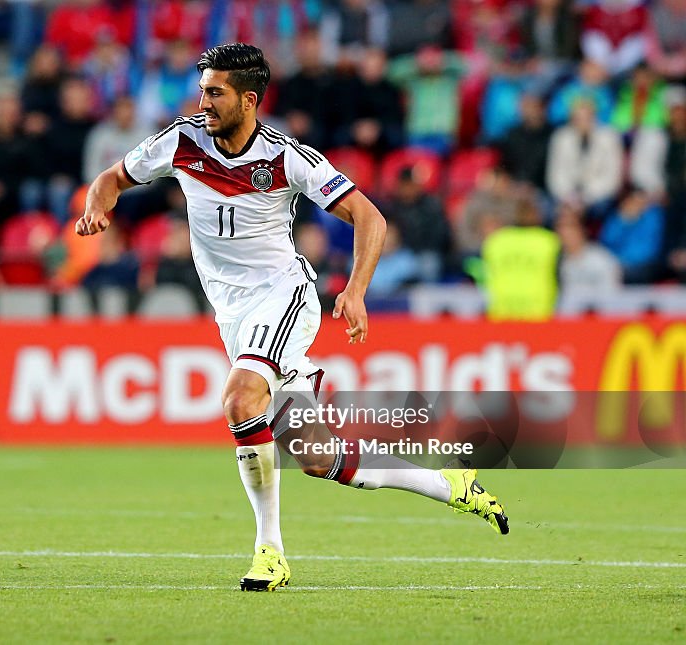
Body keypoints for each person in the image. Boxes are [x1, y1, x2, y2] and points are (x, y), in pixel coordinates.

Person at [76, 42, 508, 593]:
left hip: (285, 295)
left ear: (248, 100)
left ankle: (269, 553)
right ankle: (449, 485)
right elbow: (111, 178)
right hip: (230, 313)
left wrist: (355, 289)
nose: (202, 102)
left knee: (239, 399)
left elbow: (369, 218)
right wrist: (97, 206)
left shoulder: (287, 157)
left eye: (215, 93)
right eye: (202, 90)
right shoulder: (181, 140)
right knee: (322, 458)